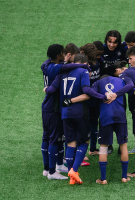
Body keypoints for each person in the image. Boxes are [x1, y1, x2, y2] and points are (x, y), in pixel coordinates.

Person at [44, 54, 110, 185]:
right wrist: (102, 96)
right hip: (80, 112)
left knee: (70, 143)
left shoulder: (62, 72)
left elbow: (51, 89)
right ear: (86, 63)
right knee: (84, 141)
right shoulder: (84, 71)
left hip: (65, 113)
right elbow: (86, 90)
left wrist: (46, 88)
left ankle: (71, 176)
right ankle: (74, 170)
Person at [41, 44, 90, 180]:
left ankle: (49, 168)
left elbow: (62, 64)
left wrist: (66, 59)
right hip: (54, 107)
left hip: (47, 106)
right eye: (63, 53)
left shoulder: (46, 64)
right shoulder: (56, 68)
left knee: (49, 137)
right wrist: (83, 66)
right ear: (58, 55)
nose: (65, 55)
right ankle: (52, 172)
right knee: (54, 139)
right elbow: (66, 67)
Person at [91, 73, 131, 184]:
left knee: (103, 147)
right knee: (123, 145)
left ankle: (103, 179)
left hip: (105, 117)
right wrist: (116, 95)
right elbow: (131, 85)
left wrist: (102, 96)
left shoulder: (97, 83)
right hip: (120, 116)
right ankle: (124, 177)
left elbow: (90, 93)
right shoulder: (121, 81)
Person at [80, 43, 100, 156]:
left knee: (88, 125)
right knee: (90, 124)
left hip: (89, 99)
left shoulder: (86, 66)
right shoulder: (96, 63)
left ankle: (88, 150)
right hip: (92, 98)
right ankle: (90, 149)